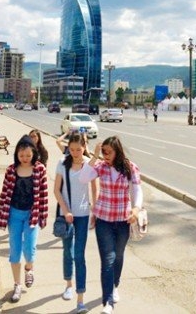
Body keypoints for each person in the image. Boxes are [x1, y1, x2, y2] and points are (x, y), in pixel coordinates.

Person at [79, 136, 143, 314]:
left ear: (117, 151)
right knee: (107, 260)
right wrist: (94, 155)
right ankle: (108, 302)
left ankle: (115, 285)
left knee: (119, 255)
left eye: (109, 152)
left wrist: (136, 209)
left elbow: (137, 189)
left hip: (123, 220)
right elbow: (83, 178)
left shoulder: (130, 167)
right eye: (104, 152)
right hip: (104, 220)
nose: (106, 156)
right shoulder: (100, 166)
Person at [0, 135, 48, 303]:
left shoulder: (40, 169)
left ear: (33, 153)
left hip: (32, 215)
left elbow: (44, 194)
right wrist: (1, 216)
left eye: (27, 155)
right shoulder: (11, 170)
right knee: (15, 250)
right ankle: (17, 285)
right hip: (14, 214)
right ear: (17, 154)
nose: (24, 159)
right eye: (21, 155)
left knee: (29, 249)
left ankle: (29, 268)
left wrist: (43, 216)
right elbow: (4, 194)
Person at [54, 133, 97, 314]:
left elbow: (94, 187)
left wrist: (94, 209)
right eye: (71, 149)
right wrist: (66, 211)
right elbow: (56, 189)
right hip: (67, 215)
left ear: (84, 146)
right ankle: (68, 284)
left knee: (79, 255)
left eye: (78, 149)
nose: (75, 153)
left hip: (83, 215)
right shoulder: (62, 163)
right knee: (67, 251)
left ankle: (80, 299)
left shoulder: (89, 164)